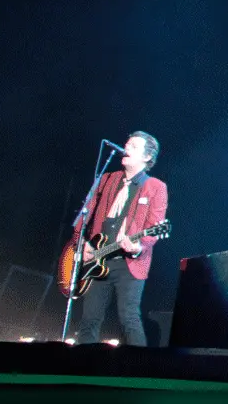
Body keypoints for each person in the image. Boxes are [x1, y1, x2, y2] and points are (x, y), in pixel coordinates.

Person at [74, 131, 168, 347]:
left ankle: (139, 372)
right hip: (97, 259)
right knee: (89, 320)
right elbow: (84, 215)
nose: (126, 147)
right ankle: (80, 371)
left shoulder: (155, 187)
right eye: (127, 143)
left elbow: (155, 226)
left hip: (130, 263)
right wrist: (82, 243)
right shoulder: (107, 179)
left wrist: (138, 246)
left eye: (134, 146)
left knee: (129, 318)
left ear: (147, 157)